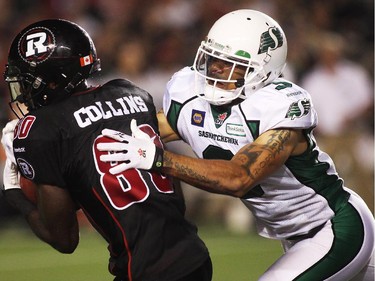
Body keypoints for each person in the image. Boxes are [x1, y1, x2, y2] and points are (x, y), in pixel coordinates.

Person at [97, 9, 375, 280]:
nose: (216, 69)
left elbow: (239, 178)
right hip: (297, 236)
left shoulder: (277, 107)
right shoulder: (188, 93)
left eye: (230, 63)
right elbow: (144, 130)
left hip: (335, 226)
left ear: (263, 71)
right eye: (213, 58)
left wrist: (158, 159)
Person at [1, 19, 212, 281]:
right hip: (193, 255)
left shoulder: (43, 128)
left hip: (145, 269)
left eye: (29, 82)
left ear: (54, 81)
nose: (23, 93)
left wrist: (13, 194)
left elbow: (64, 240)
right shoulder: (131, 92)